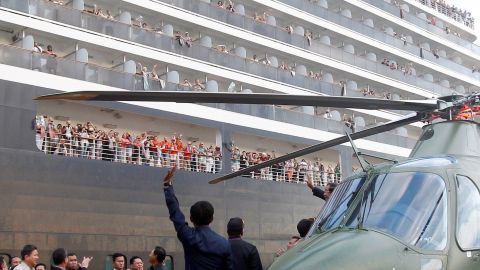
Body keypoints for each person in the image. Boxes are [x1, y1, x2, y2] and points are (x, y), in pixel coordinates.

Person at [162, 166, 233, 270]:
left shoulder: (188, 236)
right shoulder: (224, 243)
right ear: (212, 218)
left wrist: (167, 184)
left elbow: (175, 213)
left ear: (191, 218)